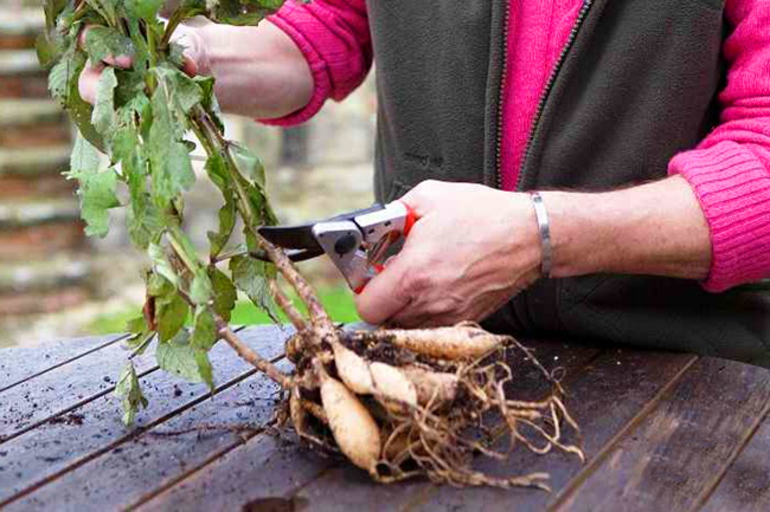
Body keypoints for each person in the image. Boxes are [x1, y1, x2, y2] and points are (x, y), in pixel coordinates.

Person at [80, 1, 770, 366]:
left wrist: (540, 235)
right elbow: (322, 32)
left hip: (688, 375)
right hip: (439, 362)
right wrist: (189, 58)